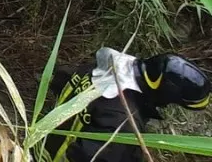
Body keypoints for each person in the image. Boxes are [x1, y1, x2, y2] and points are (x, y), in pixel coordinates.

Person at [43, 48, 209, 162]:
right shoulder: (123, 122)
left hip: (42, 144)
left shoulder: (105, 69)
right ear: (165, 95)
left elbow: (60, 80)